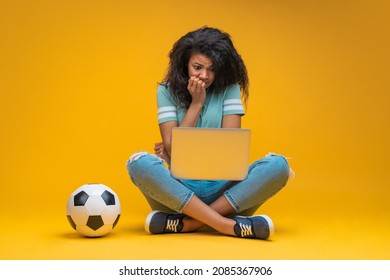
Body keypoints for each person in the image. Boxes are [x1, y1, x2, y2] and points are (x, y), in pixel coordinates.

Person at [126, 26, 293, 240]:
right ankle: (226, 225)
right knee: (139, 163)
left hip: (225, 192)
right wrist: (196, 103)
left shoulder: (229, 89)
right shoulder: (166, 91)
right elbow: (174, 149)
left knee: (278, 166)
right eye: (197, 67)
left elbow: (230, 148)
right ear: (184, 63)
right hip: (179, 191)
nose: (204, 76)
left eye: (212, 69)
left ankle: (188, 224)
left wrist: (174, 151)